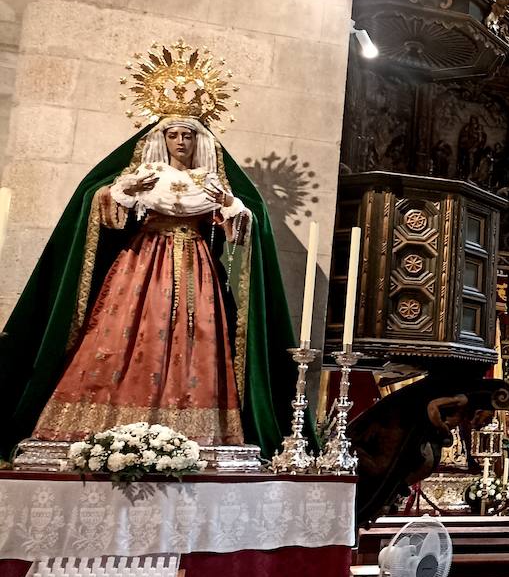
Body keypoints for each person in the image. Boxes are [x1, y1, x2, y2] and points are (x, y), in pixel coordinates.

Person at [0, 42, 304, 457]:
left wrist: (230, 206)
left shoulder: (209, 181)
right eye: (173, 135)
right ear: (162, 138)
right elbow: (104, 209)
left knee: (197, 339)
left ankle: (194, 433)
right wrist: (122, 191)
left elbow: (242, 225)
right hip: (141, 263)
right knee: (121, 335)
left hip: (197, 265)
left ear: (200, 141)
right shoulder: (144, 173)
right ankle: (98, 429)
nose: (180, 142)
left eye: (187, 136)